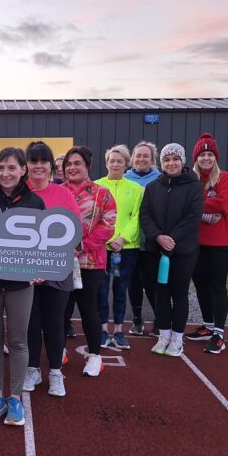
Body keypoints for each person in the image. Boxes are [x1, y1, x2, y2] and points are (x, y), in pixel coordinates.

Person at [0, 147, 44, 426]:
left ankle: (14, 397)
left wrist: (39, 270)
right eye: (0, 167)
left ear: (23, 170)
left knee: (17, 339)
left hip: (20, 283)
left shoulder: (35, 202)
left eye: (12, 168)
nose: (5, 173)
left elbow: (42, 244)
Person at [22, 142, 79, 397]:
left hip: (56, 271)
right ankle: (32, 369)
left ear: (51, 166)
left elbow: (75, 235)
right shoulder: (19, 193)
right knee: (30, 322)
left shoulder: (64, 194)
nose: (38, 166)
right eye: (33, 161)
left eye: (43, 161)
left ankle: (56, 372)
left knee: (54, 323)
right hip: (25, 272)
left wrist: (49, 263)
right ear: (26, 166)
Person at [140, 143, 203, 357]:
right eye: (167, 159)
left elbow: (193, 217)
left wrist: (172, 239)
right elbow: (145, 215)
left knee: (179, 294)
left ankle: (177, 339)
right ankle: (163, 335)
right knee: (160, 294)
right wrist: (158, 236)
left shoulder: (194, 186)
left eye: (175, 159)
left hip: (183, 251)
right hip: (156, 250)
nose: (171, 163)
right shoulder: (153, 186)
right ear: (161, 163)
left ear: (182, 161)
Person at [62, 146, 116, 375]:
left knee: (88, 309)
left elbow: (108, 225)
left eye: (77, 164)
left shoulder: (102, 194)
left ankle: (95, 355)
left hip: (90, 262)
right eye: (68, 164)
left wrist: (82, 245)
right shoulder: (58, 191)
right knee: (61, 309)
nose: (72, 168)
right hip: (61, 261)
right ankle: (59, 350)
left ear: (88, 167)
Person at [185, 133, 228, 354]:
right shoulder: (191, 179)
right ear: (195, 158)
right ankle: (208, 325)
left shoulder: (225, 178)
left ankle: (219, 333)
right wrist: (205, 214)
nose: (206, 158)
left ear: (215, 157)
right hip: (196, 242)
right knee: (200, 286)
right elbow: (186, 206)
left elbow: (224, 204)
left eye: (210, 154)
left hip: (220, 243)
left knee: (217, 286)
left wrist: (198, 207)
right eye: (202, 155)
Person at [95, 145, 143, 350]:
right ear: (106, 163)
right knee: (101, 289)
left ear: (126, 164)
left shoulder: (137, 189)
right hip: (101, 247)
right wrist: (105, 239)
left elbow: (137, 217)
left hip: (127, 247)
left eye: (119, 161)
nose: (115, 164)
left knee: (121, 289)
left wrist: (123, 239)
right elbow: (93, 216)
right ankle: (103, 329)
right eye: (111, 160)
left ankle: (119, 330)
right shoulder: (96, 186)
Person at [124, 141, 162, 336]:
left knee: (152, 282)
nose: (141, 159)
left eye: (145, 156)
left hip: (151, 241)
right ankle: (137, 320)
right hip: (130, 241)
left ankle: (159, 320)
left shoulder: (160, 180)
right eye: (138, 155)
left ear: (152, 159)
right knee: (133, 282)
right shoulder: (124, 178)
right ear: (132, 159)